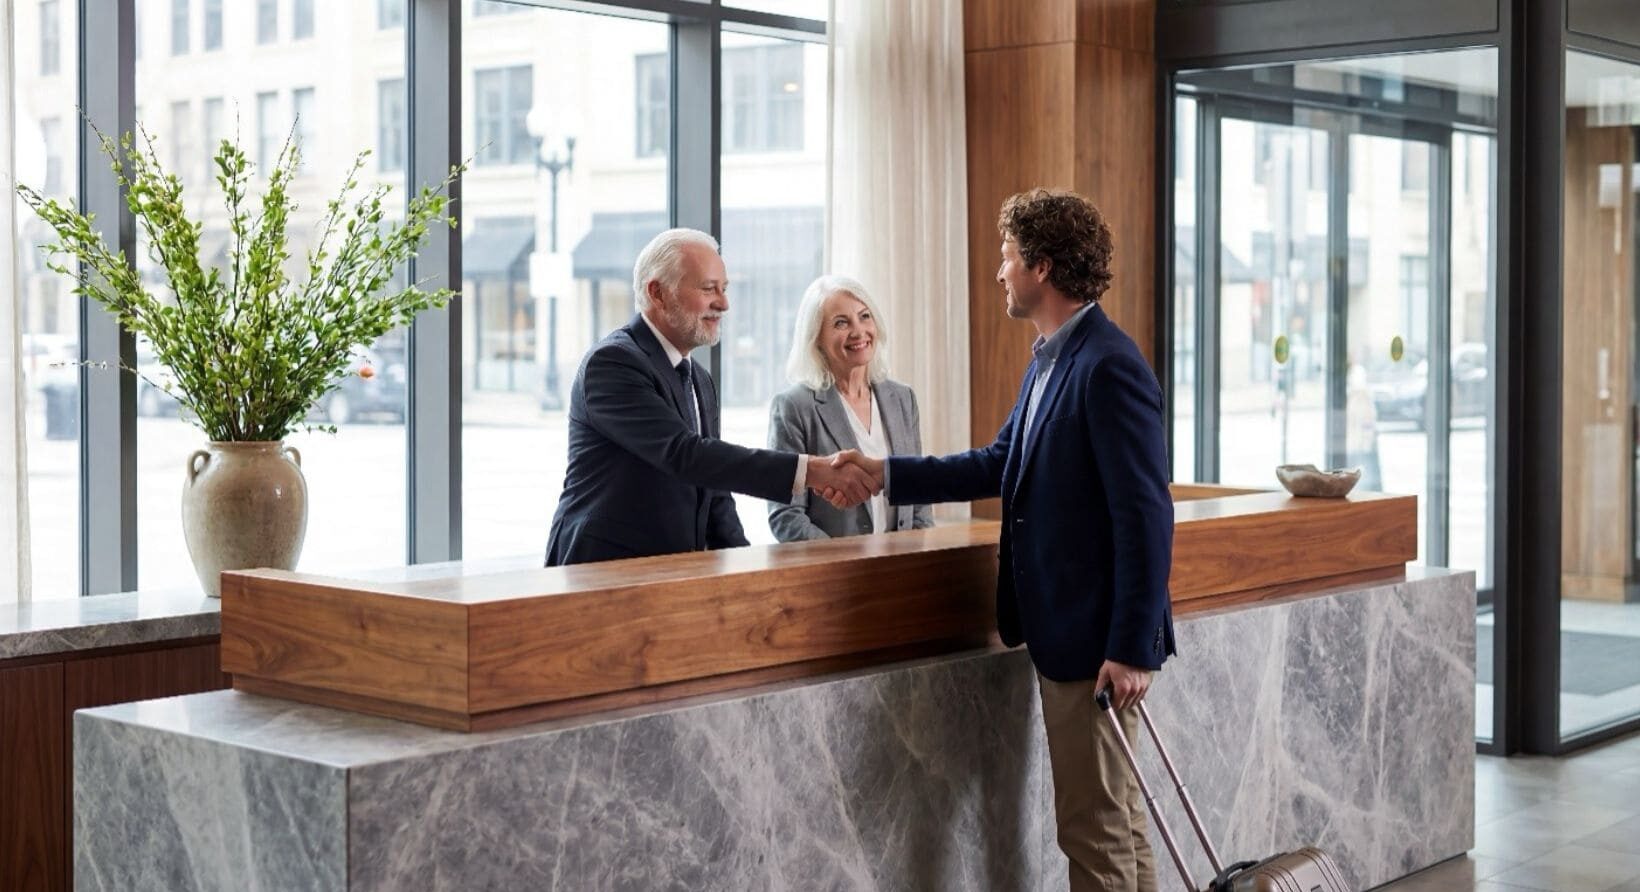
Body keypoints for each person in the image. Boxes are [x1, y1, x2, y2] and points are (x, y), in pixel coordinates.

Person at [831, 190, 1175, 892]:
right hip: (1071, 637)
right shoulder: (1051, 358)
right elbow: (998, 461)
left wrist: (1132, 647)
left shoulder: (1107, 365)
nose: (999, 272)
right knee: (1115, 822)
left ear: (1041, 268)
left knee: (1094, 828)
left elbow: (1145, 516)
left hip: (1095, 644)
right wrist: (886, 473)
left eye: (1007, 257)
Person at [544, 228, 878, 566]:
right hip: (602, 572)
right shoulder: (613, 363)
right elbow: (684, 455)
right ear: (658, 293)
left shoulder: (699, 378)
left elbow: (714, 486)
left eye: (724, 289)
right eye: (708, 289)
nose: (723, 303)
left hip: (671, 574)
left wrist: (744, 571)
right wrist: (812, 471)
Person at [765, 275, 934, 541]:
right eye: (841, 323)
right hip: (835, 574)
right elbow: (786, 516)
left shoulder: (903, 398)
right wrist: (842, 565)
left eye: (864, 316)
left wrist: (915, 561)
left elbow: (919, 493)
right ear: (816, 337)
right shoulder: (794, 407)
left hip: (903, 569)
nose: (858, 331)